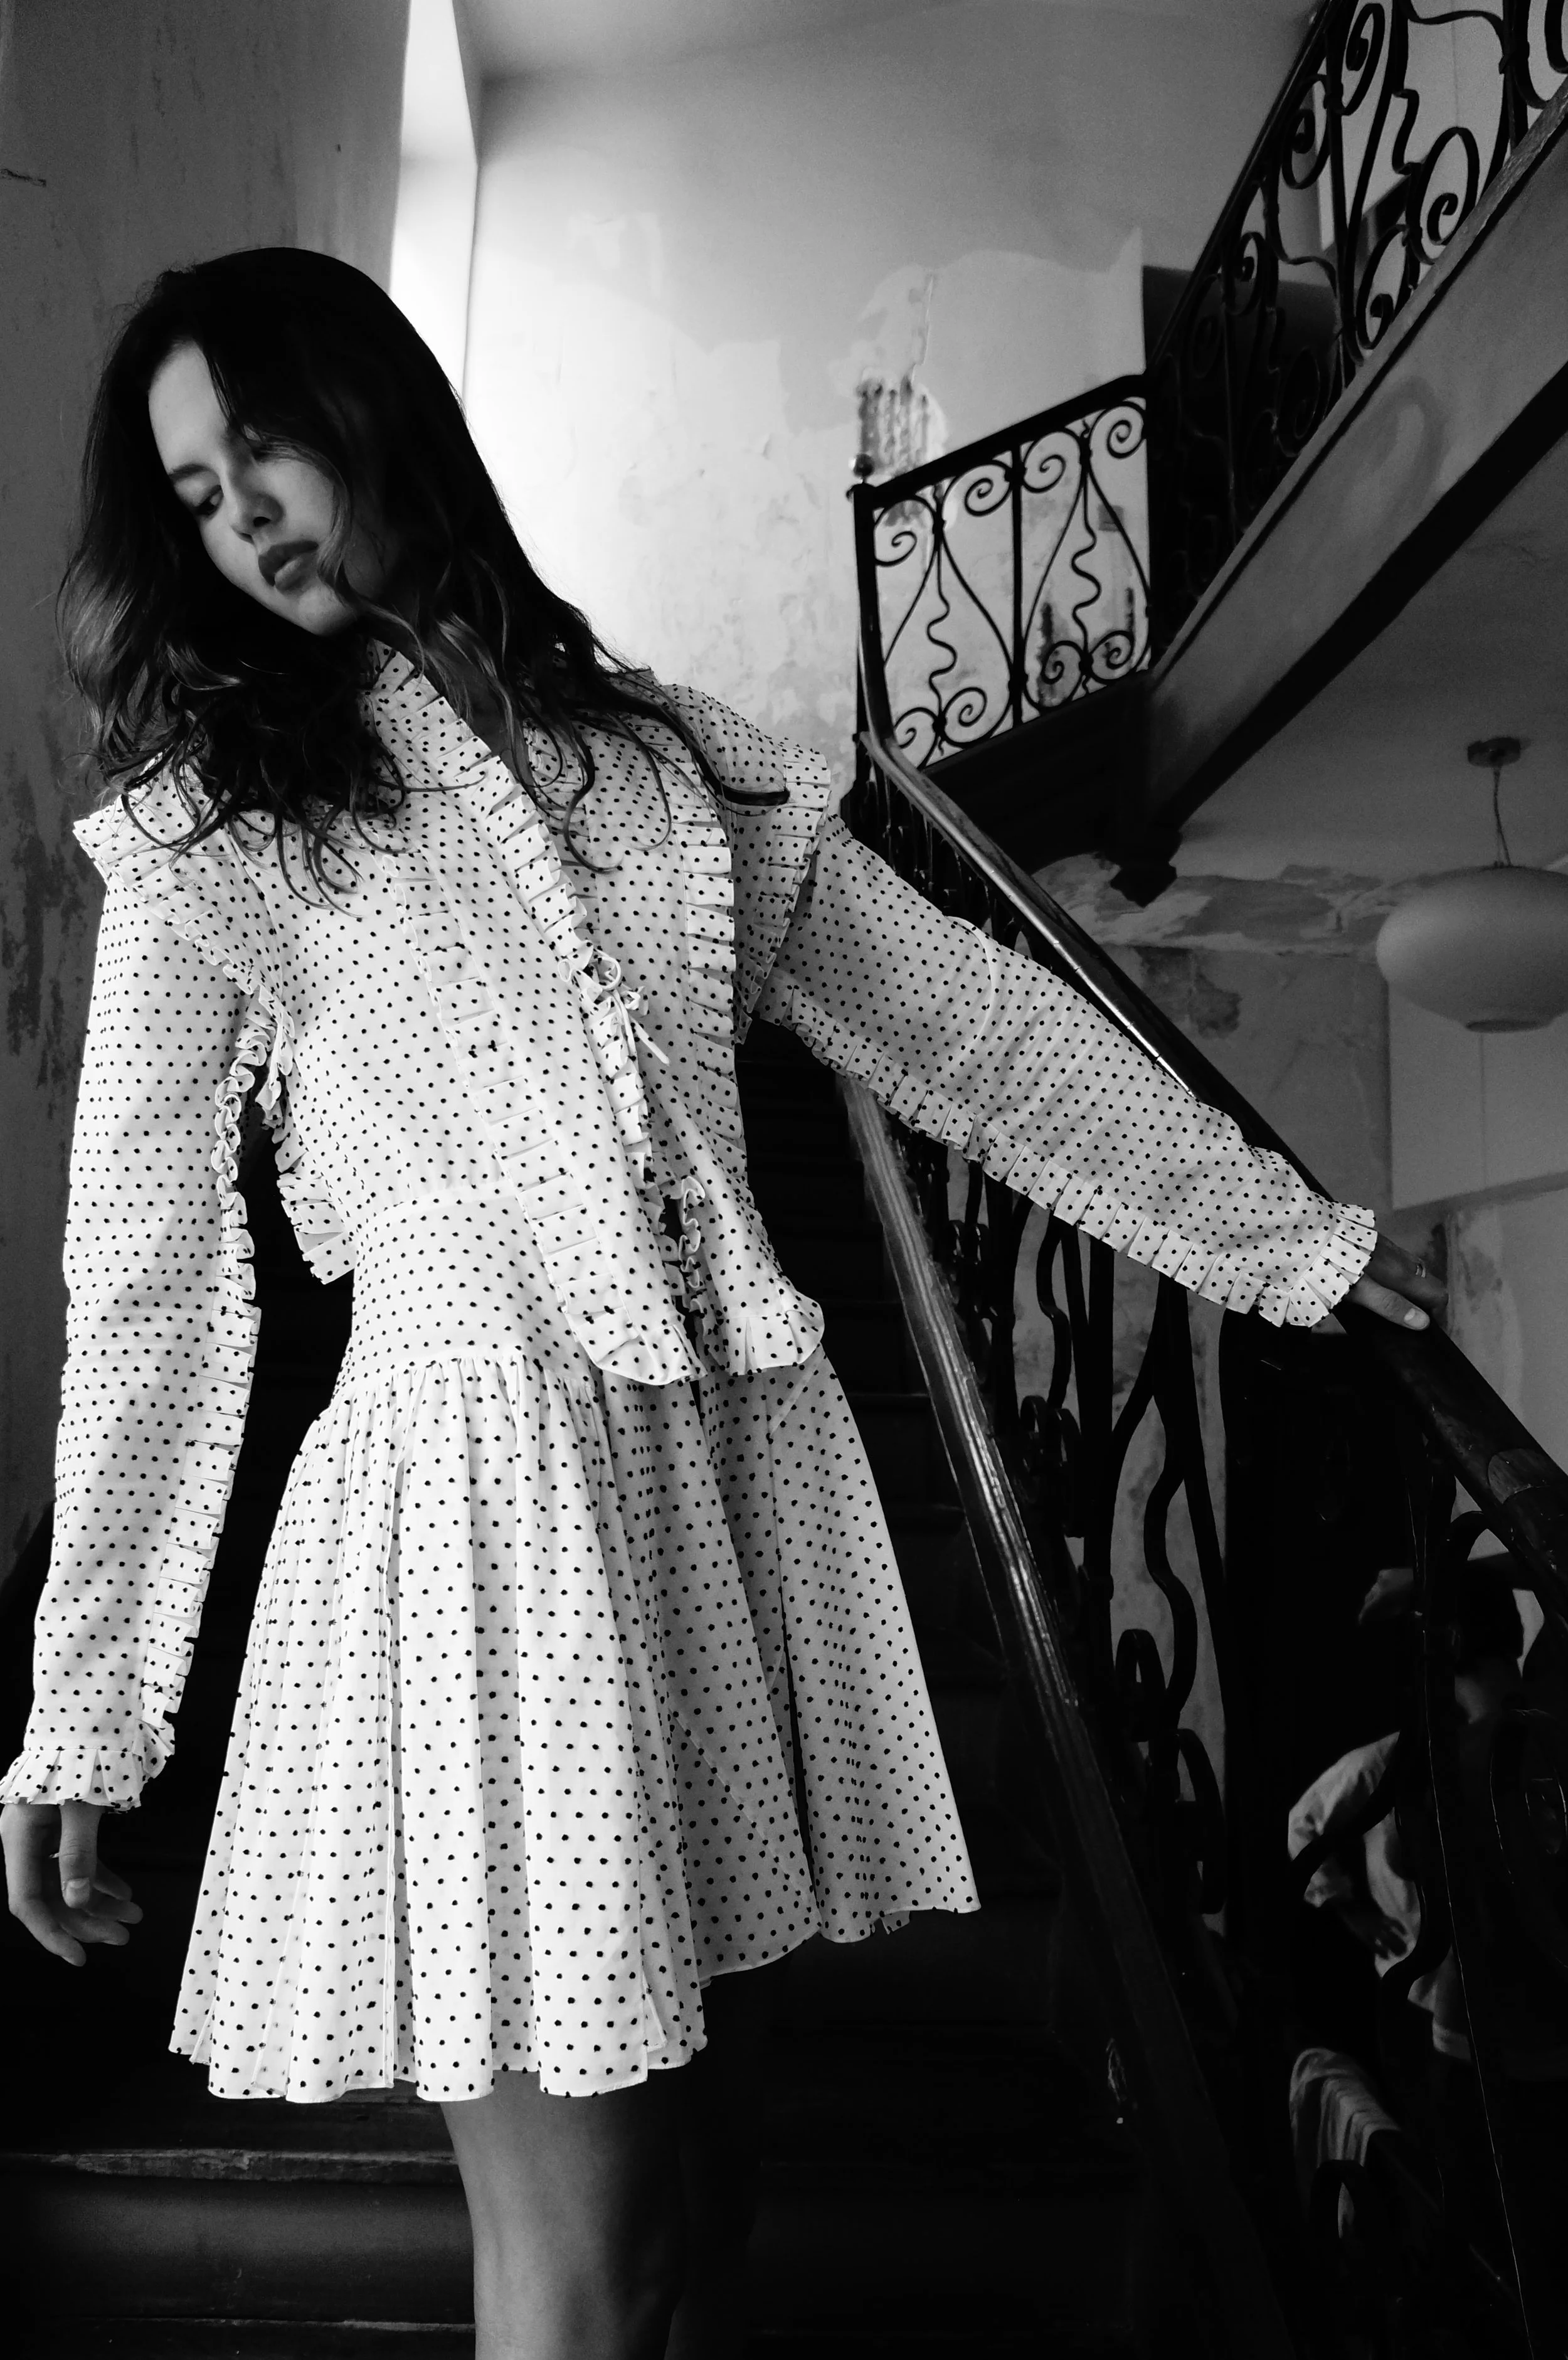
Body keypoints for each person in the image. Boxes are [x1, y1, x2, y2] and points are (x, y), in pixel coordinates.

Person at [0, 248, 1439, 2360]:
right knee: (575, 2272)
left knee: (693, 2217)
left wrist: (1275, 1238)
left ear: (378, 406)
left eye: (264, 451)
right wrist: (88, 1702)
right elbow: (142, 1281)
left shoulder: (674, 765)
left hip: (704, 1505)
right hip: (469, 1534)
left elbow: (967, 1025)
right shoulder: (217, 830)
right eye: (200, 500)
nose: (246, 521)